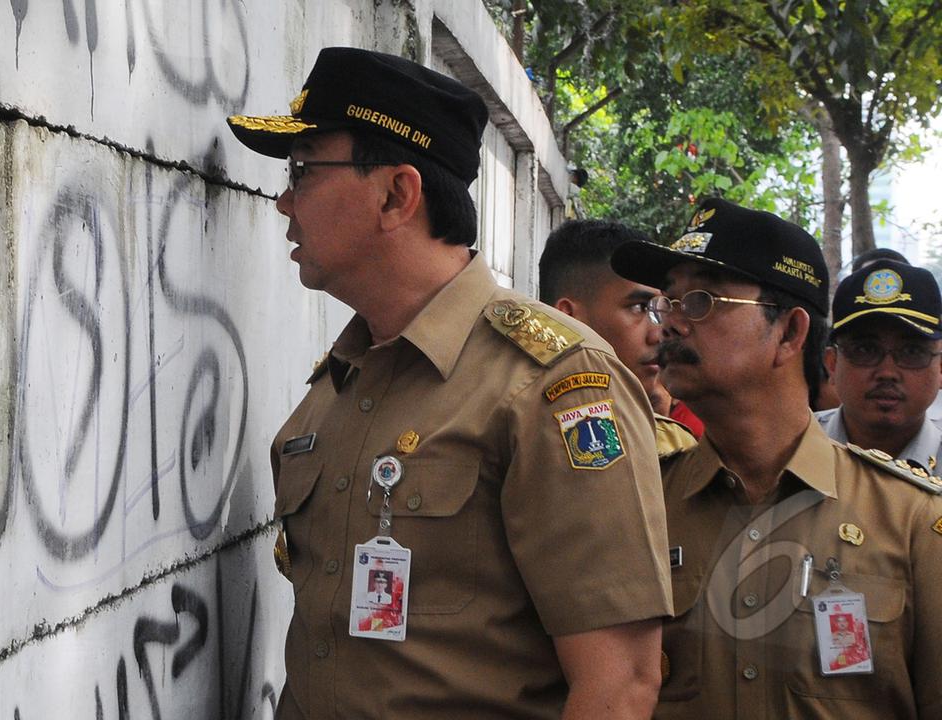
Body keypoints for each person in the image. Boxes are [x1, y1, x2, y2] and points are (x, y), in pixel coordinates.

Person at [228, 47, 672, 719]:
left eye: (303, 170)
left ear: (396, 195)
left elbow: (620, 685)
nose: (284, 200)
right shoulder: (337, 385)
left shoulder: (555, 381)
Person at [611, 197, 942, 718]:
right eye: (668, 302)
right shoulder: (641, 503)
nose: (669, 325)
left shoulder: (912, 521)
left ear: (789, 333)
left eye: (701, 300)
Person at [538, 219, 699, 450]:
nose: (659, 334)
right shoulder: (511, 427)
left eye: (658, 309)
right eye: (639, 307)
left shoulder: (673, 444)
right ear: (568, 318)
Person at [817, 259, 942, 470]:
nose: (887, 372)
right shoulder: (788, 449)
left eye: (912, 352)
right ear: (832, 364)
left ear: (940, 368)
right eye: (865, 350)